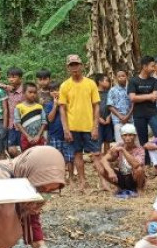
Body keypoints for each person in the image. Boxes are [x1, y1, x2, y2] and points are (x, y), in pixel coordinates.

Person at [59, 54, 108, 192]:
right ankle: (82, 181)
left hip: (89, 126)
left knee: (97, 154)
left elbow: (96, 106)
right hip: (73, 126)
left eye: (76, 64)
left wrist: (95, 126)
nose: (74, 68)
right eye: (71, 65)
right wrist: (65, 129)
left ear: (81, 65)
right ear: (68, 68)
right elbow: (62, 108)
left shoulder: (90, 83)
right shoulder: (65, 86)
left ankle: (103, 182)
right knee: (77, 154)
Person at [128, 56, 157, 164]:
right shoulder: (133, 81)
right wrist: (149, 96)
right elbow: (132, 98)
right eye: (152, 66)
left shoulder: (155, 81)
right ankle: (147, 162)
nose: (154, 68)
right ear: (144, 66)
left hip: (153, 113)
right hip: (139, 114)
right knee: (143, 139)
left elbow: (155, 96)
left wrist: (141, 97)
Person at [98, 123, 146, 197]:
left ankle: (139, 188)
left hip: (134, 178)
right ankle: (120, 187)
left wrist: (123, 150)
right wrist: (110, 171)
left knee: (139, 169)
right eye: (125, 135)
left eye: (130, 135)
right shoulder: (118, 146)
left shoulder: (140, 150)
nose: (128, 138)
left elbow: (136, 165)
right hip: (122, 176)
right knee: (101, 169)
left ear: (135, 136)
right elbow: (103, 159)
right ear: (122, 137)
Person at [44, 81, 74, 180]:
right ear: (49, 92)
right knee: (56, 157)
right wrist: (55, 105)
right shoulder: (48, 105)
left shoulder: (67, 102)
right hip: (54, 135)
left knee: (70, 157)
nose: (55, 92)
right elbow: (50, 119)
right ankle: (59, 177)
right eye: (52, 91)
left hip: (68, 133)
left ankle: (71, 177)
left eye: (57, 90)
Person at [14, 82, 48, 151]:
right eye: (30, 92)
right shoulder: (19, 107)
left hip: (39, 138)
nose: (33, 95)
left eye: (35, 92)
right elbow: (18, 123)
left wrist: (38, 135)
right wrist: (28, 136)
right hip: (25, 138)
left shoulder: (40, 107)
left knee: (39, 155)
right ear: (23, 93)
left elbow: (44, 122)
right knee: (26, 155)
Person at [106, 70, 133, 145]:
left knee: (132, 143)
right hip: (118, 121)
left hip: (130, 120)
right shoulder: (112, 90)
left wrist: (127, 116)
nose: (121, 78)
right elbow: (110, 105)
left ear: (126, 77)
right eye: (119, 76)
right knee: (120, 143)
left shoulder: (131, 89)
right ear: (116, 78)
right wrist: (121, 116)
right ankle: (121, 157)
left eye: (123, 76)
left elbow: (134, 104)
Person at [5, 67, 26, 158]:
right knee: (11, 149)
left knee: (24, 147)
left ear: (20, 78)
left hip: (22, 125)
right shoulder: (7, 91)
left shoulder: (25, 91)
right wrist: (5, 86)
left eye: (14, 77)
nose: (11, 79)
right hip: (11, 125)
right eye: (9, 77)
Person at [94, 73, 115, 155]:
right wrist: (98, 118)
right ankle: (98, 162)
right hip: (97, 121)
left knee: (107, 141)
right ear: (99, 81)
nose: (109, 82)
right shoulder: (94, 93)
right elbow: (91, 107)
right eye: (107, 80)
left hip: (108, 120)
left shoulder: (110, 93)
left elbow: (113, 105)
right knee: (97, 142)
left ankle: (106, 160)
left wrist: (109, 116)